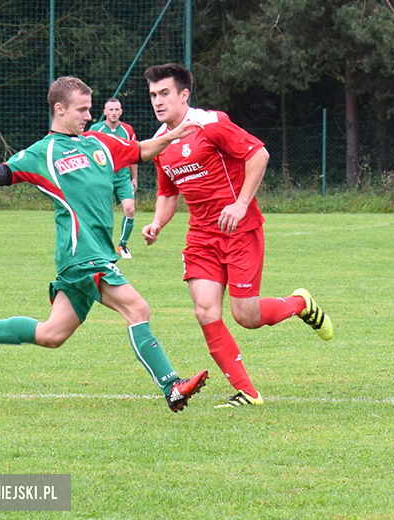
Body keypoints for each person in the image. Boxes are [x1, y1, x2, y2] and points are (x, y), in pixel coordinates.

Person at [0, 76, 208, 413]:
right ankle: (172, 386)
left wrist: (173, 135)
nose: (87, 115)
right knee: (137, 309)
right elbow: (2, 175)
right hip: (82, 255)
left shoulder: (99, 143)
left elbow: (141, 151)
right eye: (81, 109)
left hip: (91, 256)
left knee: (52, 334)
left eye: (89, 109)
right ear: (59, 108)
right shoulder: (44, 152)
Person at [140, 63, 333, 408]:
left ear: (184, 95)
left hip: (239, 231)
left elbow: (259, 154)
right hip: (201, 237)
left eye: (165, 93)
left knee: (246, 316)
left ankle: (300, 304)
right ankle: (248, 392)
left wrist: (241, 204)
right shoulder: (160, 143)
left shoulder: (211, 125)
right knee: (205, 312)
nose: (158, 101)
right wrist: (157, 223)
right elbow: (169, 192)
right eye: (153, 94)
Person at [89, 98, 138, 259]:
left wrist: (134, 178)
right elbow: (88, 154)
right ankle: (99, 246)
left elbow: (134, 154)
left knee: (130, 209)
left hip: (123, 177)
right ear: (105, 112)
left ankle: (122, 246)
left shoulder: (127, 130)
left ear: (121, 112)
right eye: (110, 110)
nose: (114, 113)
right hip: (103, 177)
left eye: (117, 109)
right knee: (102, 213)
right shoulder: (96, 129)